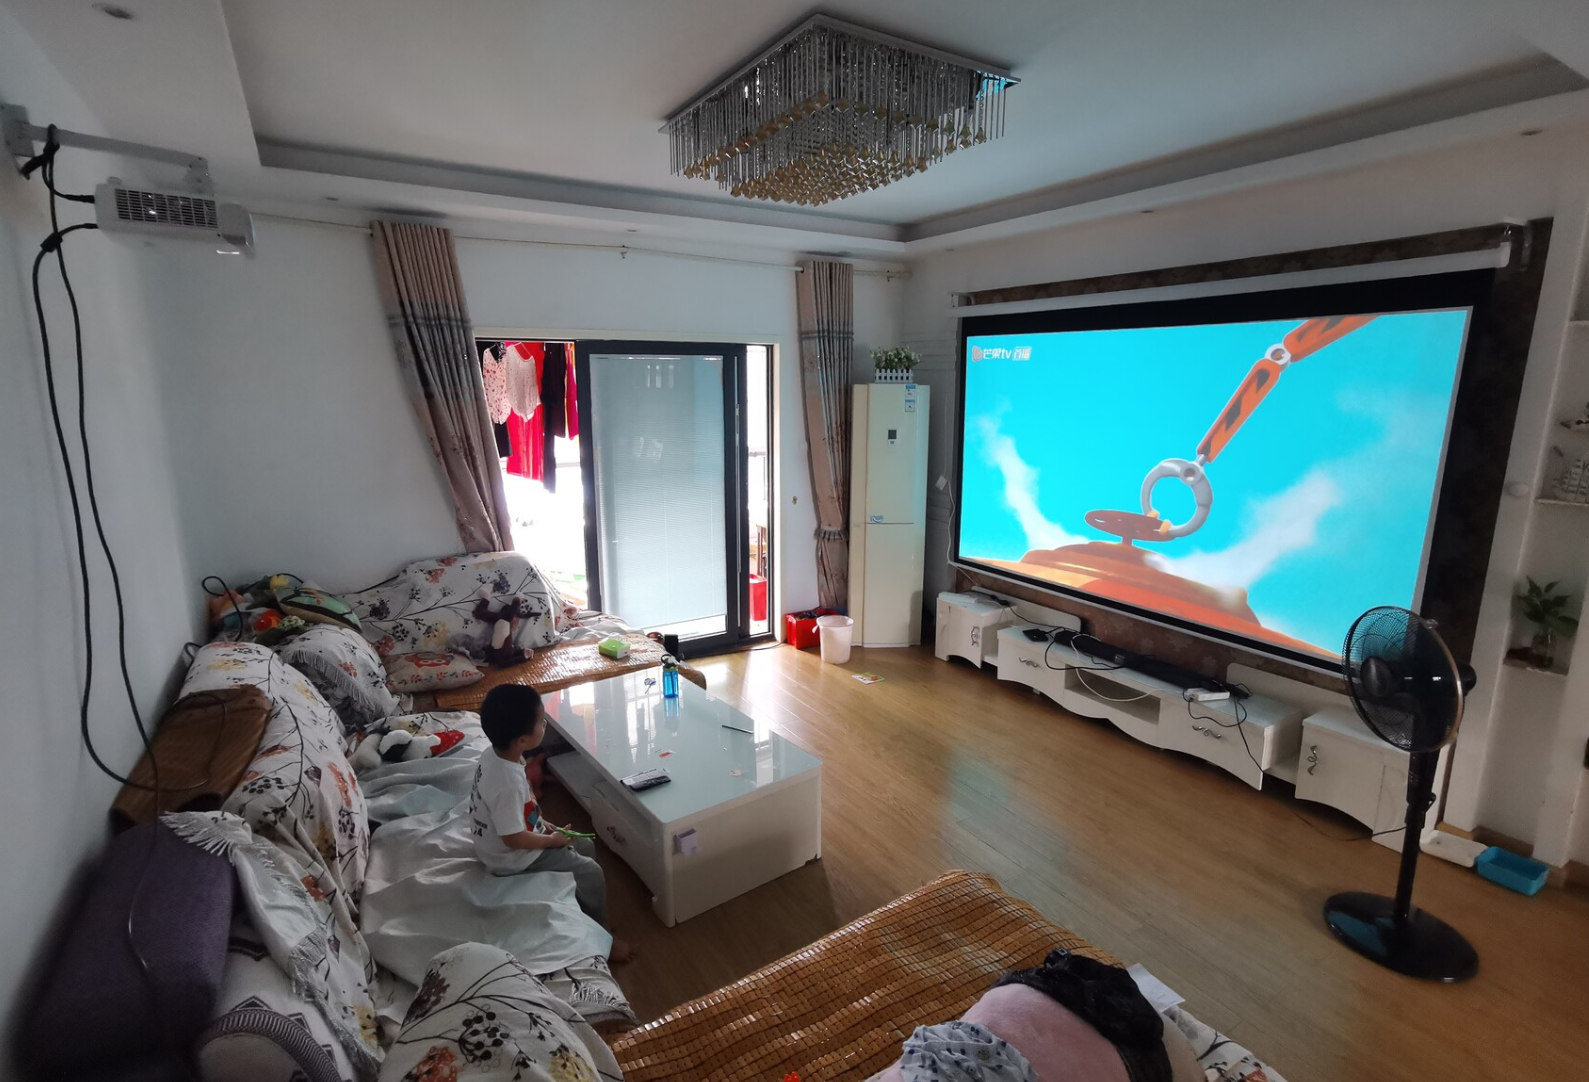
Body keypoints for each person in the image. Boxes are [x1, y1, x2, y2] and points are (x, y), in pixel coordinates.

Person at [468, 684, 632, 962]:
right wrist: (550, 841)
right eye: (541, 722)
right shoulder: (506, 783)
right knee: (591, 872)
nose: (545, 725)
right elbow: (513, 838)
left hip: (515, 839)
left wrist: (544, 824)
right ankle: (603, 938)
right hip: (511, 859)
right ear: (522, 739)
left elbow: (519, 812)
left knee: (585, 847)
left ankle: (583, 914)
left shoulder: (496, 755)